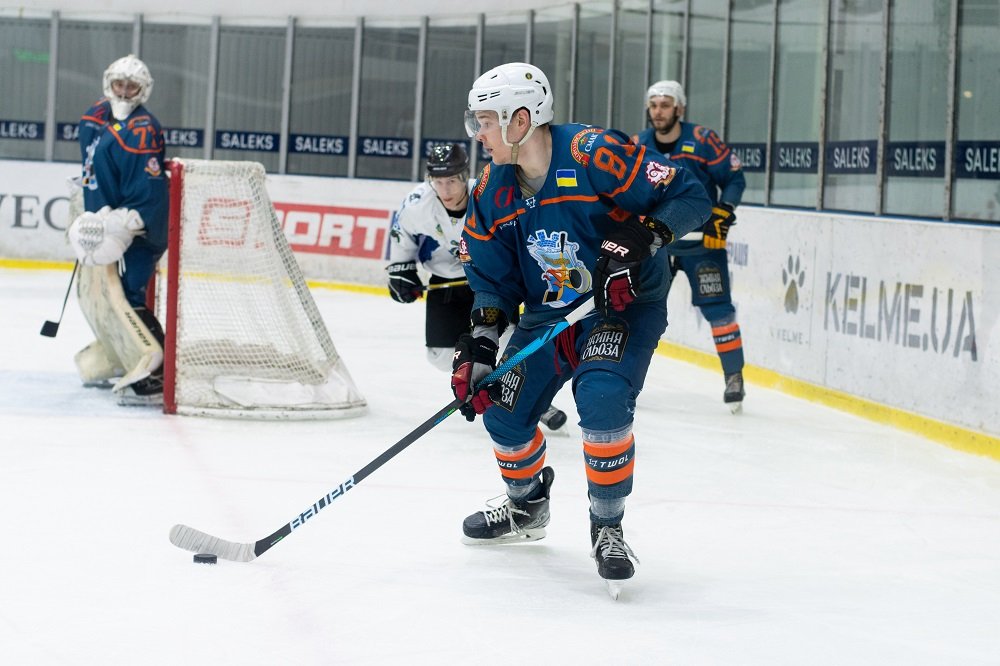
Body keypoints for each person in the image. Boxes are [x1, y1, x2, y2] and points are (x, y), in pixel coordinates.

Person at [450, 62, 711, 597]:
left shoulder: (594, 153)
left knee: (602, 396)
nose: (478, 134)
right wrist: (481, 344)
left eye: (486, 122)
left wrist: (645, 236)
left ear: (521, 120)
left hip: (620, 308)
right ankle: (526, 508)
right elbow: (493, 282)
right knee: (502, 412)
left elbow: (692, 197)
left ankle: (607, 526)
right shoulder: (492, 190)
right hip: (550, 316)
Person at [387, 143, 568, 430]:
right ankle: (494, 379)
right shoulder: (417, 204)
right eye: (438, 181)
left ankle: (525, 393)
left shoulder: (486, 195)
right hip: (445, 283)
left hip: (489, 281)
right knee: (440, 356)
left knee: (507, 339)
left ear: (464, 175)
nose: (445, 189)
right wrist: (401, 269)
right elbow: (402, 236)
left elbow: (518, 232)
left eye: (451, 180)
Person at [634, 80, 748, 413]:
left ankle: (734, 377)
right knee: (640, 314)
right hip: (657, 245)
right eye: (654, 105)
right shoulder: (638, 144)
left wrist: (724, 211)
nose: (658, 111)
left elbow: (734, 178)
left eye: (665, 105)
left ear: (679, 108)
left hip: (702, 245)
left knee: (719, 311)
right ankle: (627, 380)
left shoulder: (702, 140)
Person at [69, 54, 169, 405]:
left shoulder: (144, 128)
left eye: (132, 86)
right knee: (111, 295)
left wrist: (130, 220)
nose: (124, 92)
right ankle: (123, 354)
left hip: (140, 229)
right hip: (106, 220)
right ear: (108, 83)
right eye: (119, 84)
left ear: (144, 90)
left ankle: (158, 372)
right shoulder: (95, 116)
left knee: (128, 296)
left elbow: (150, 186)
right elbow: (93, 165)